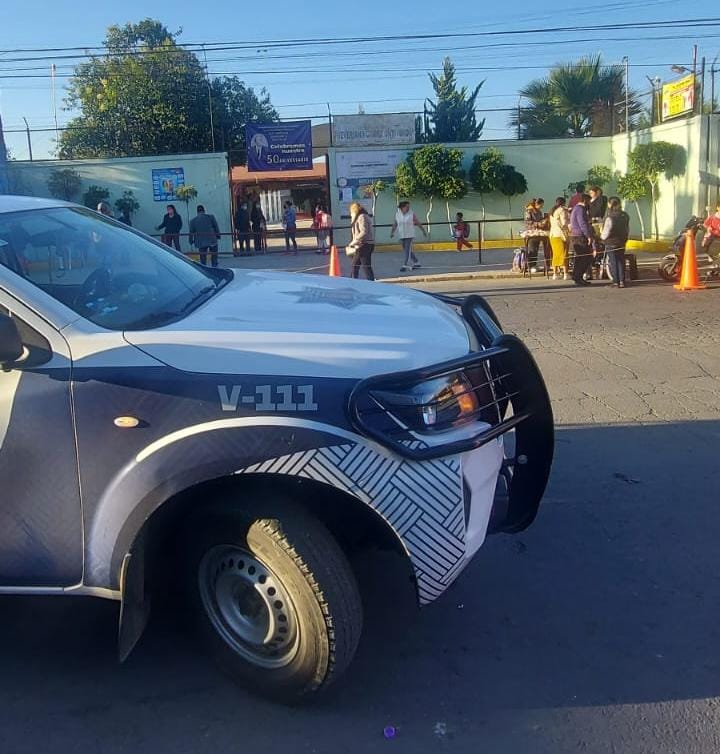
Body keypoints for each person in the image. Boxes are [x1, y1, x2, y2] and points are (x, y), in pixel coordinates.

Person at [601, 196, 630, 288]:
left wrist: (602, 238)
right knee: (621, 261)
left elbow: (606, 231)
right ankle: (622, 281)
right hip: (622, 241)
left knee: (613, 262)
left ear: (610, 204)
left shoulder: (610, 217)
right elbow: (627, 229)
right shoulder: (625, 215)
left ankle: (615, 282)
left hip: (611, 242)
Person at [390, 201, 427, 272]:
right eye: (406, 207)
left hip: (409, 235)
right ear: (402, 207)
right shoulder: (397, 214)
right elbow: (395, 224)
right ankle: (417, 262)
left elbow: (417, 222)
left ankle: (405, 265)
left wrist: (423, 231)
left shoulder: (411, 214)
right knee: (407, 250)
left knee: (407, 250)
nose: (408, 208)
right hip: (402, 235)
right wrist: (392, 232)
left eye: (409, 207)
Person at [570, 193, 595, 286]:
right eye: (589, 201)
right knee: (585, 257)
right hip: (580, 236)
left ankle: (577, 276)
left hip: (576, 235)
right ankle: (578, 276)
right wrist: (589, 236)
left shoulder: (576, 209)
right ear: (585, 201)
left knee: (580, 258)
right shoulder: (580, 209)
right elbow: (583, 224)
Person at [347, 202, 375, 280]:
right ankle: (356, 280)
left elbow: (364, 231)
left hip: (364, 244)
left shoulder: (361, 217)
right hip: (363, 244)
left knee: (362, 265)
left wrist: (354, 241)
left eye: (351, 211)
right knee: (359, 265)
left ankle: (368, 281)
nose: (350, 213)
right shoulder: (360, 216)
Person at [524, 198, 548, 273]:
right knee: (532, 249)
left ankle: (534, 264)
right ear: (537, 204)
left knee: (536, 249)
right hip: (531, 233)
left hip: (538, 232)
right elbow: (528, 221)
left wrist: (544, 220)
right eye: (541, 205)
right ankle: (531, 266)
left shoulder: (539, 211)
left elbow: (540, 219)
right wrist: (538, 224)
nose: (542, 207)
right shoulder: (529, 211)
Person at [549, 197, 570, 280]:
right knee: (564, 254)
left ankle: (555, 273)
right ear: (563, 203)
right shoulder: (562, 210)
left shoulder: (552, 211)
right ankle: (565, 273)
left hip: (553, 235)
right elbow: (564, 223)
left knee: (555, 255)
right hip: (561, 235)